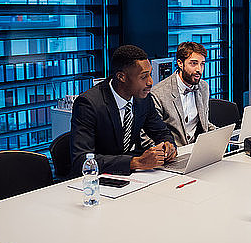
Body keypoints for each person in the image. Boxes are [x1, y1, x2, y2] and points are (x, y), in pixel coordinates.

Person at [70, 45, 176, 176]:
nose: (150, 82)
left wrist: (168, 146)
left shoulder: (143, 98)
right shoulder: (89, 104)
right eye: (144, 76)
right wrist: (135, 162)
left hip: (133, 177)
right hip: (98, 180)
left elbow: (161, 132)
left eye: (150, 74)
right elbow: (81, 160)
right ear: (121, 77)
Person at [150, 42, 215, 146]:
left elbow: (205, 124)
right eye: (193, 63)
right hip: (173, 153)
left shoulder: (204, 87)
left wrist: (221, 136)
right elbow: (148, 136)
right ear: (180, 63)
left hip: (198, 149)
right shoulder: (158, 94)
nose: (199, 69)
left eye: (202, 64)